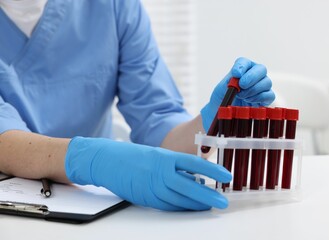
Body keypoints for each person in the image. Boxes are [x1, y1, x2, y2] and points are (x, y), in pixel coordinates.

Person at [0, 0, 275, 211]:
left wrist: (210, 122)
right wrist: (92, 160)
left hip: (91, 203)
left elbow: (157, 120)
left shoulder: (113, 6)